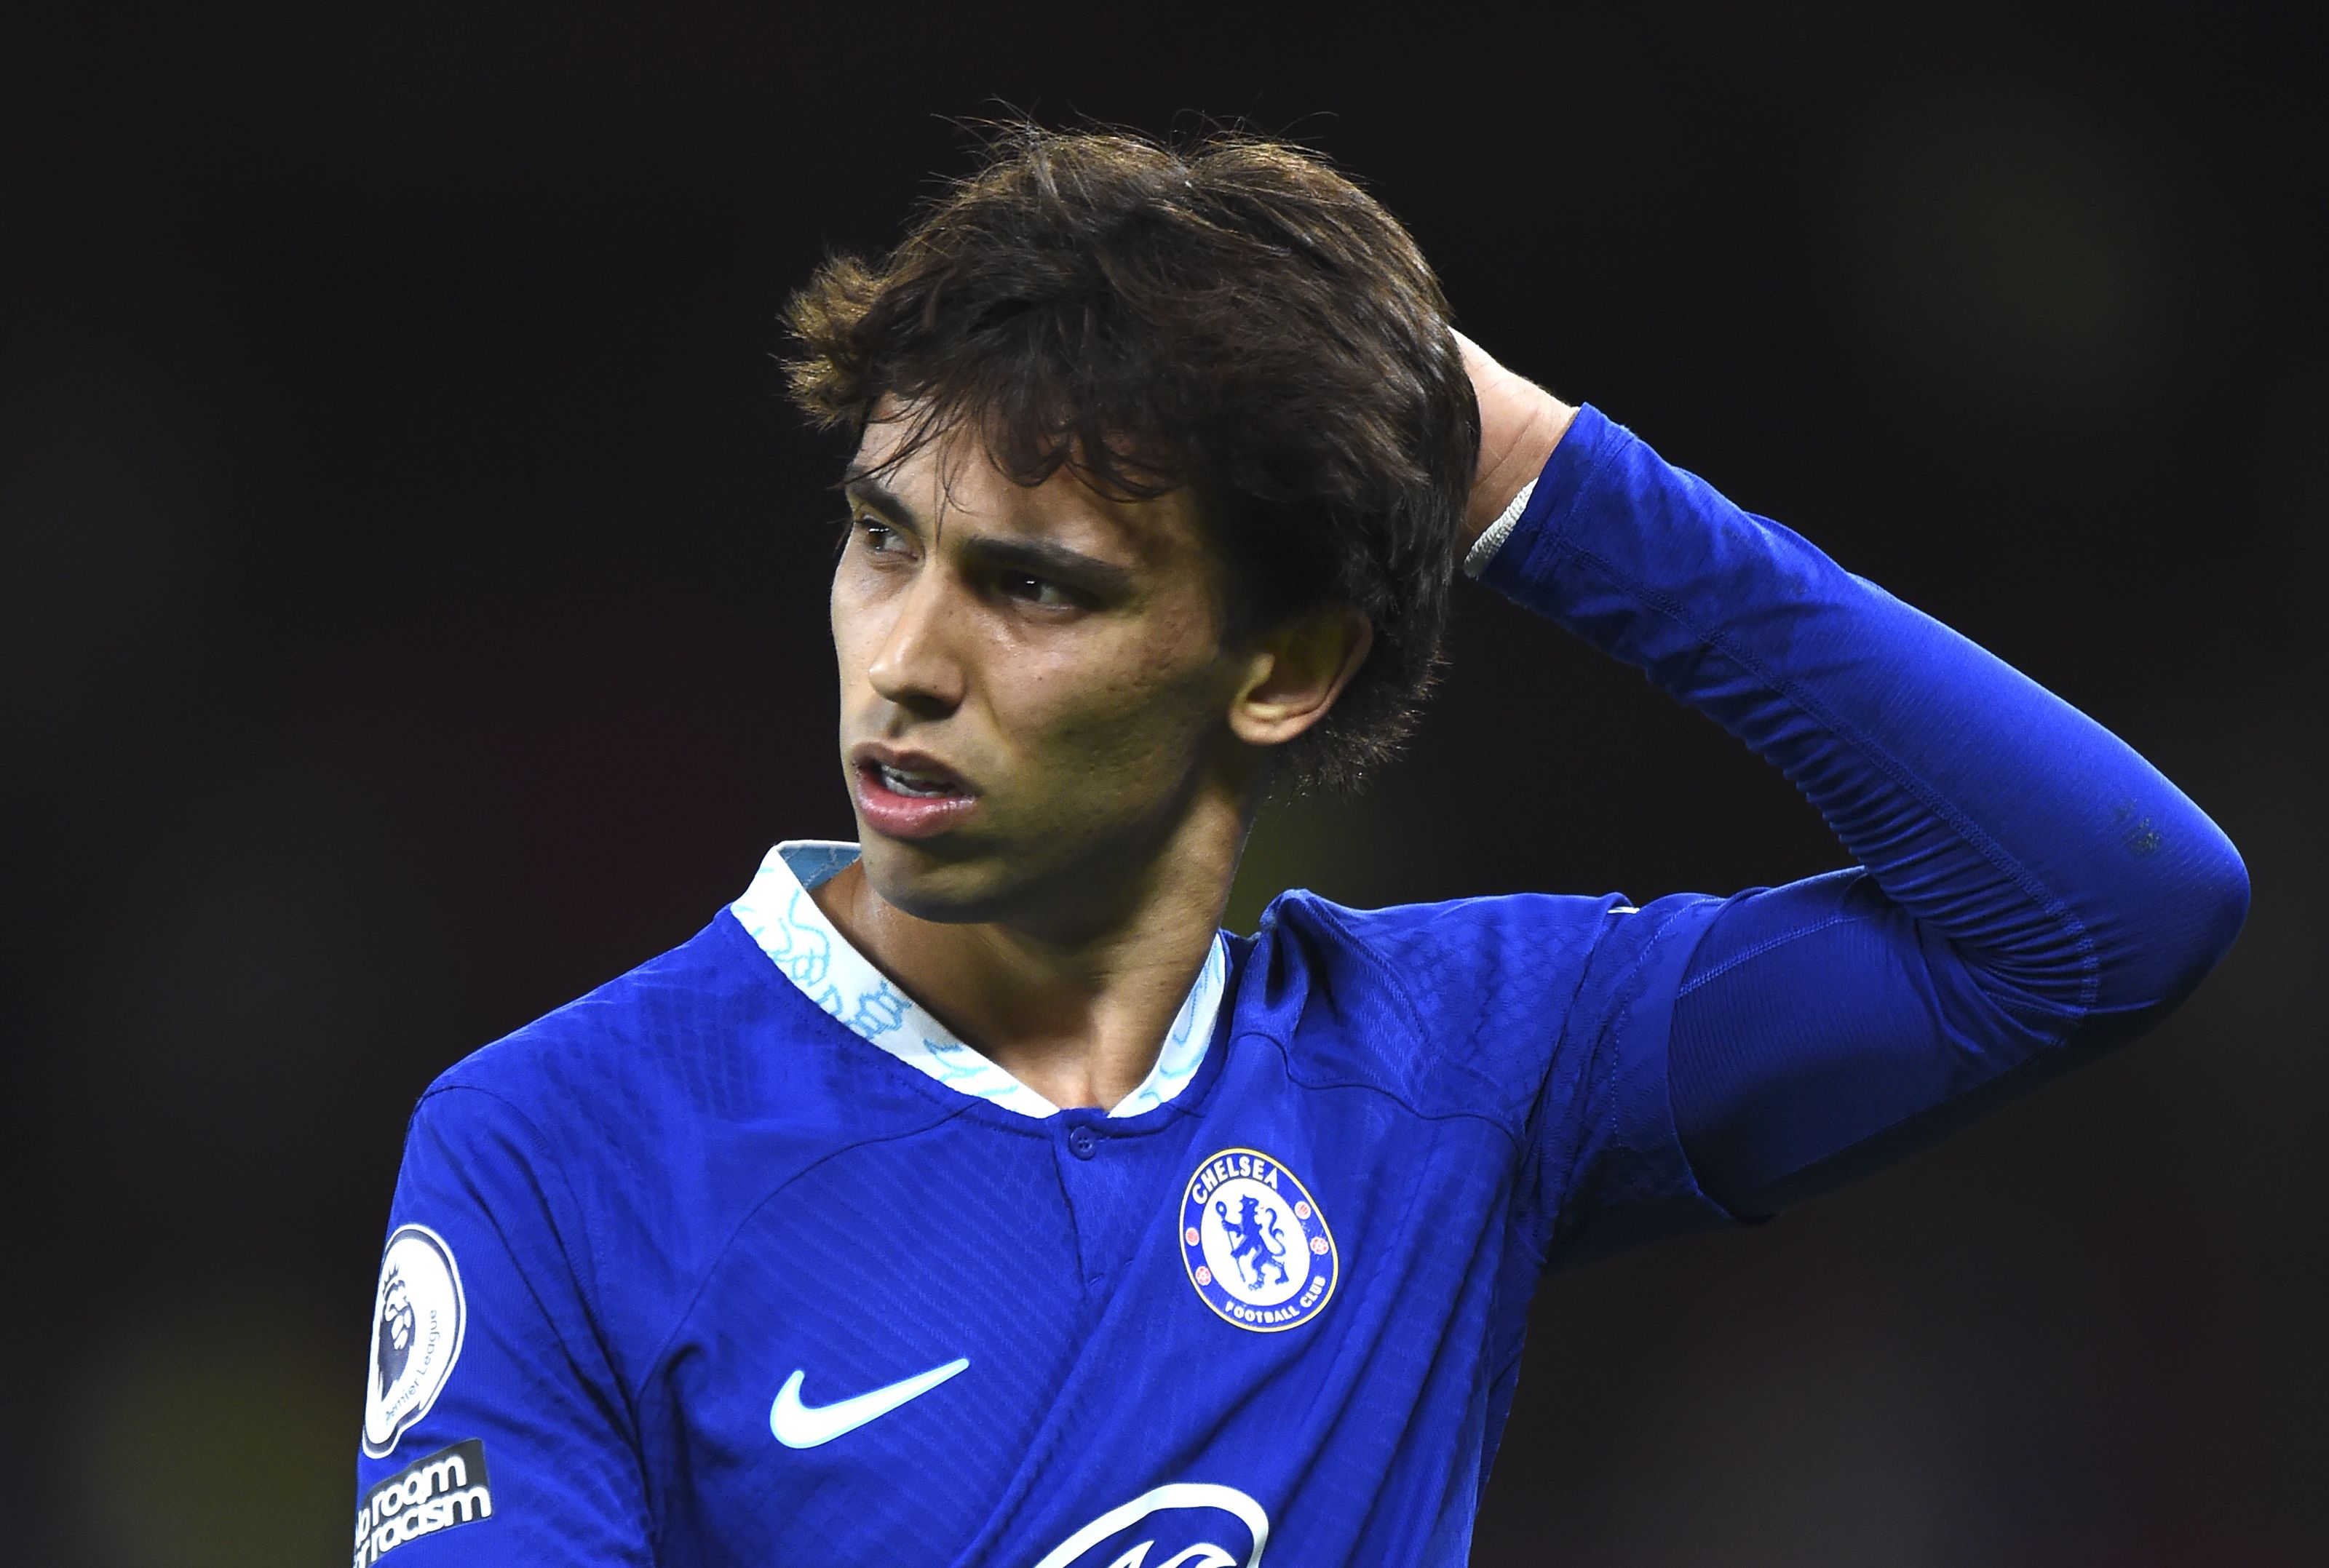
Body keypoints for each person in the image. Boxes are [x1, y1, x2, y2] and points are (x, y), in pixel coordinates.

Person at [349, 127, 2247, 1567]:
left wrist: (1532, 477)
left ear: (1286, 667)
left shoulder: (1472, 1068)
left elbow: (2103, 916)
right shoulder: (562, 1143)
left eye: (1034, 586)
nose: (906, 658)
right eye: (880, 534)